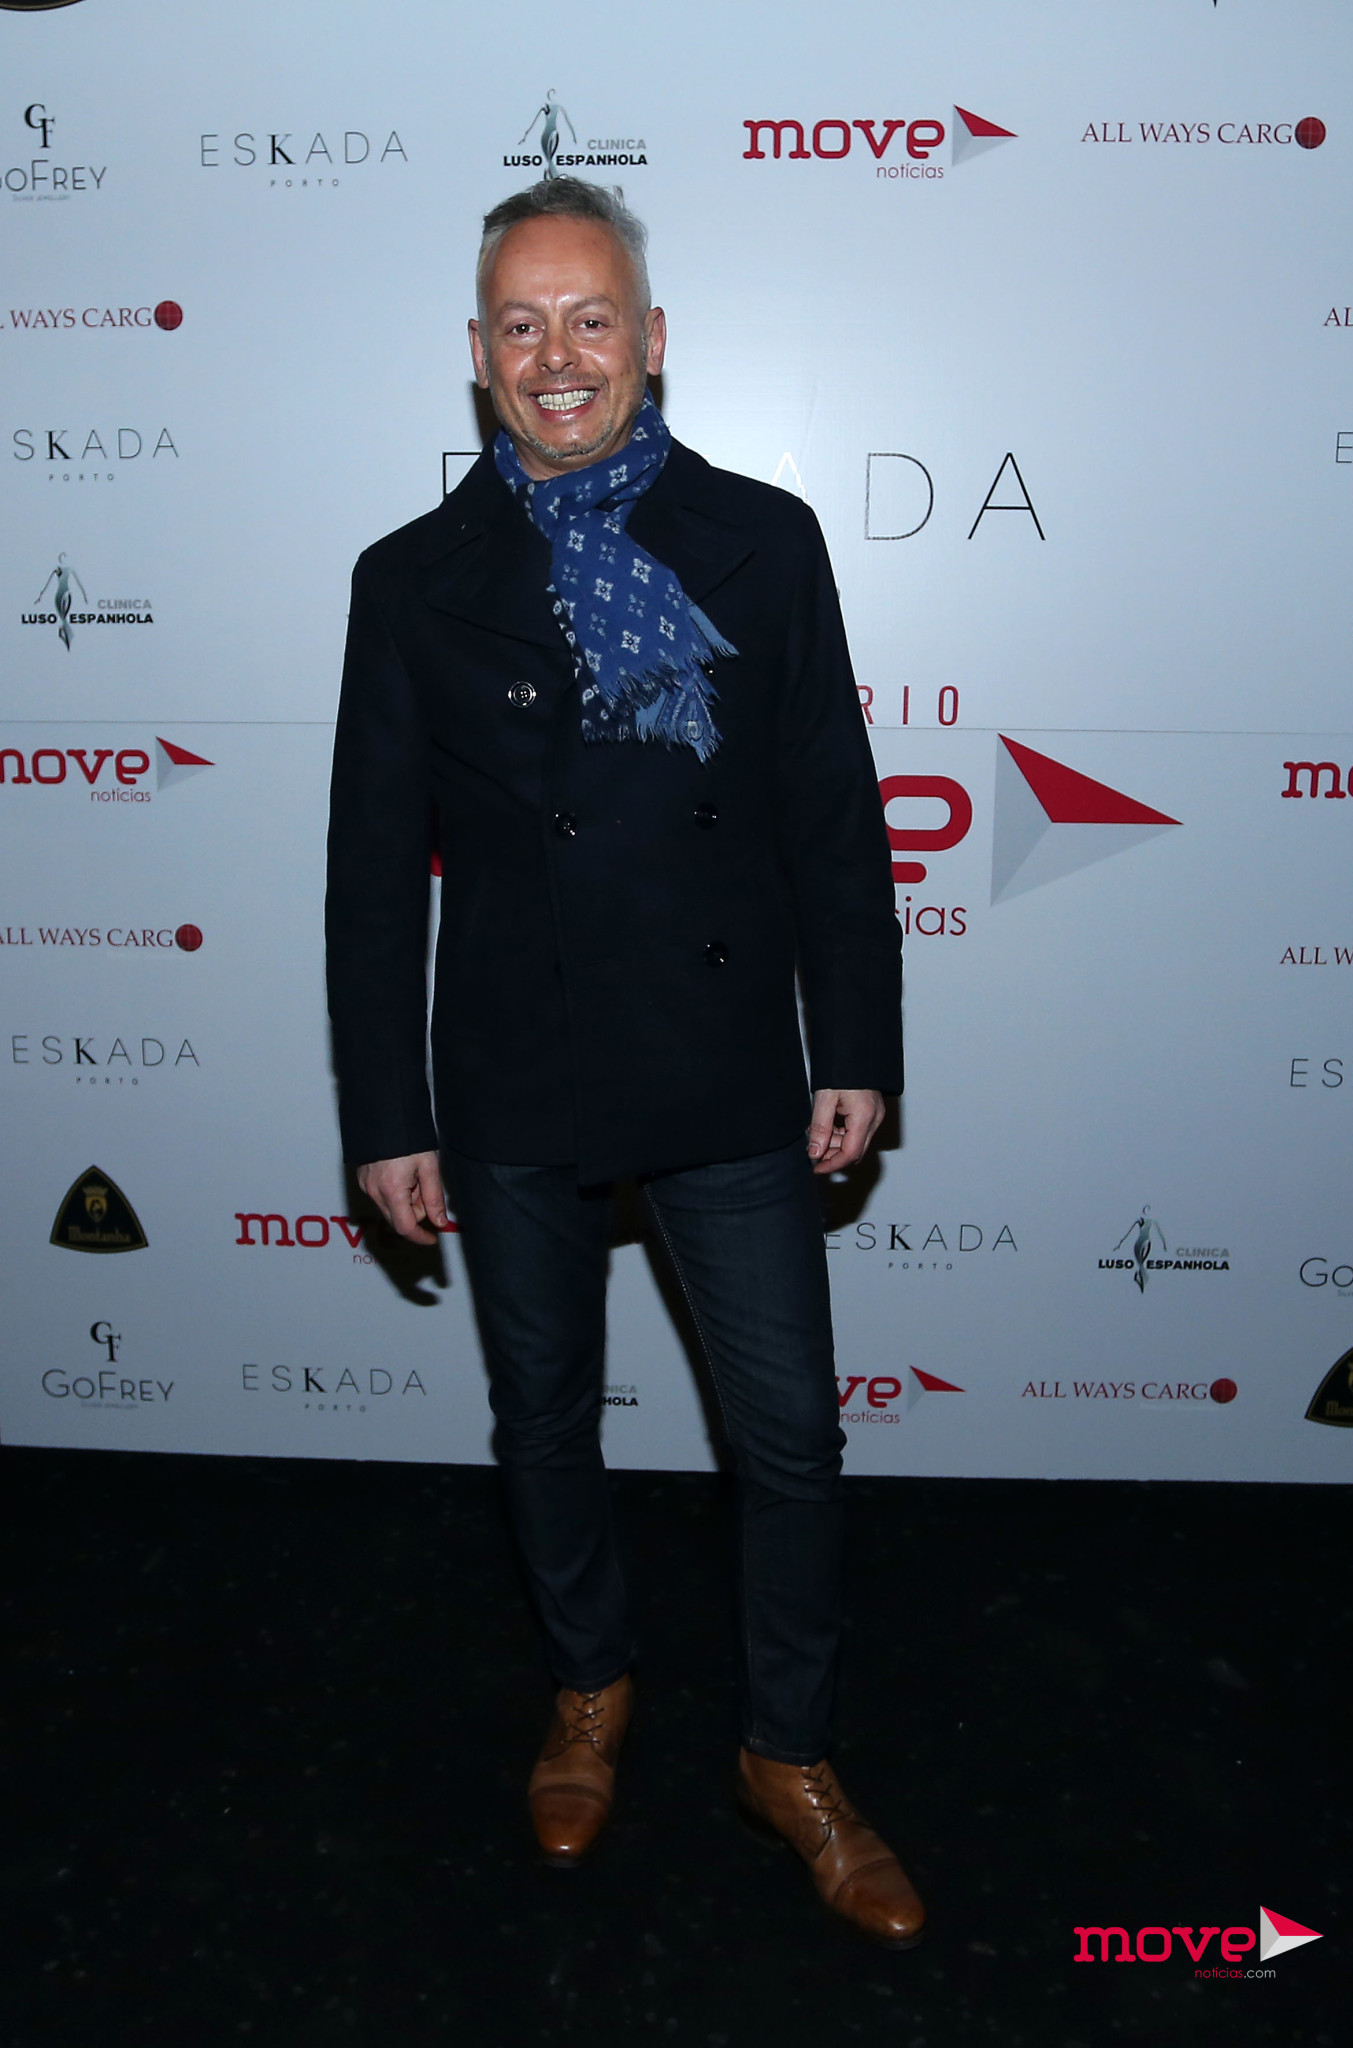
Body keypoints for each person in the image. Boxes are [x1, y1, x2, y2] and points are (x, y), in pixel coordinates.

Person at [325, 178, 923, 1948]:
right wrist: (388, 1111)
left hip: (722, 1055)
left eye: (591, 319)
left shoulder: (764, 537)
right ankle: (587, 1690)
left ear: (651, 341)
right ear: (479, 356)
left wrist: (853, 1039)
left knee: (789, 1438)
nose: (558, 357)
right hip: (514, 1061)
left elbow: (829, 812)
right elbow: (373, 871)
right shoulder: (411, 581)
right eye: (522, 325)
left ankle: (788, 1754)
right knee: (542, 1415)